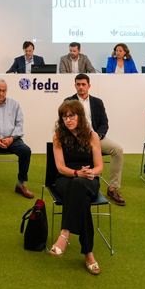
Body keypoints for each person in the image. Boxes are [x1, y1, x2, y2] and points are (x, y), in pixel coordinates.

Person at [49, 101, 104, 274]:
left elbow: (99, 166)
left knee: (79, 186)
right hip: (66, 178)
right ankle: (88, 253)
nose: (68, 119)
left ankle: (64, 234)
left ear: (80, 116)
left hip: (88, 179)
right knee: (82, 197)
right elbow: (60, 167)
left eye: (71, 115)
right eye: (64, 116)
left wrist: (90, 173)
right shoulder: (58, 136)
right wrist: (76, 173)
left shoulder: (92, 136)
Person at [64, 74, 126, 206]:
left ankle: (112, 188)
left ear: (89, 86)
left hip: (95, 138)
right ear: (75, 86)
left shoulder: (97, 102)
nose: (81, 87)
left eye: (83, 84)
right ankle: (76, 181)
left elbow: (104, 123)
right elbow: (65, 122)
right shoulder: (69, 101)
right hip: (75, 139)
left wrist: (97, 136)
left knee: (117, 150)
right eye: (78, 84)